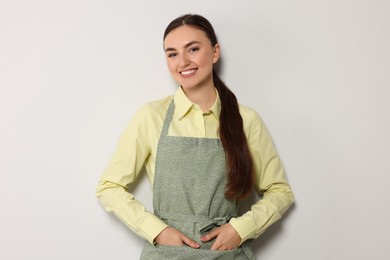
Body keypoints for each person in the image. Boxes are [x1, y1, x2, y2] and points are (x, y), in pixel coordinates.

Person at [96, 14, 294, 260]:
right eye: (172, 54)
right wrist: (157, 231)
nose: (183, 62)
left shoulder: (246, 119)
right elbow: (109, 186)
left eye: (193, 49)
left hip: (226, 254)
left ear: (214, 52)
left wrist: (240, 229)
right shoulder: (151, 116)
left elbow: (279, 191)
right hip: (167, 253)